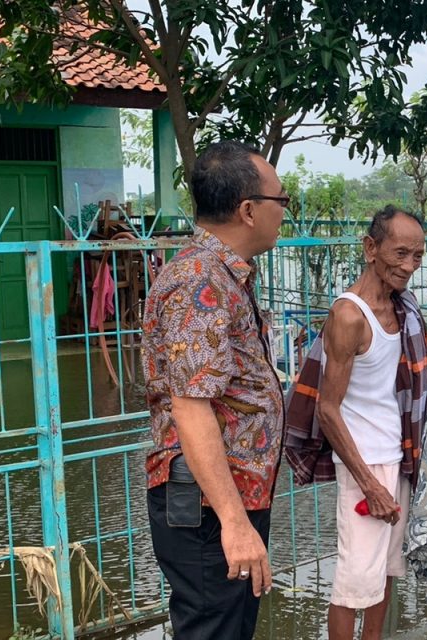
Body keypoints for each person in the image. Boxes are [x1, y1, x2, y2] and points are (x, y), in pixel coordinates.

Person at [284, 205, 427, 640]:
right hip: (365, 464)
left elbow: (387, 387)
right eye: (400, 253)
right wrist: (370, 484)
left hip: (397, 457)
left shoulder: (402, 308)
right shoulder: (349, 316)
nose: (409, 266)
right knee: (354, 582)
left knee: (385, 573)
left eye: (417, 256)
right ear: (370, 248)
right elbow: (327, 408)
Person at [141, 141, 287, 639]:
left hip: (226, 499)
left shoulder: (225, 276)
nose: (284, 214)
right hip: (207, 506)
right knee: (213, 628)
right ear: (248, 210)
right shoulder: (199, 281)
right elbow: (191, 408)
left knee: (230, 626)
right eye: (280, 202)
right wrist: (233, 521)